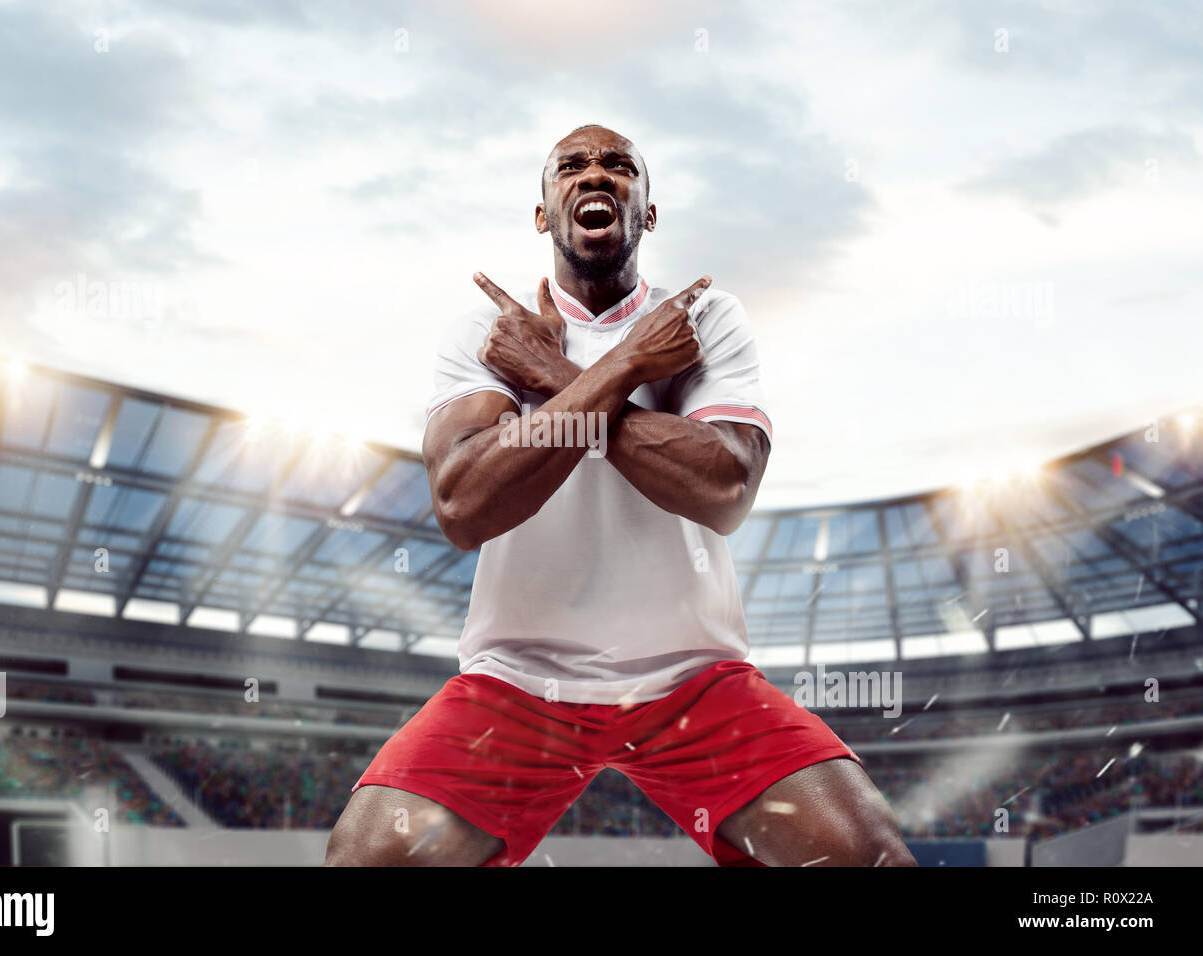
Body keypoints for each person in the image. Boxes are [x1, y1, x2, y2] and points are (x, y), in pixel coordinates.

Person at [325, 124, 915, 867]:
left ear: (648, 209)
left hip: (691, 676)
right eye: (571, 166)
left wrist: (556, 380)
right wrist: (623, 367)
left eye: (619, 166)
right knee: (367, 858)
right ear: (543, 212)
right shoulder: (490, 330)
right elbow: (464, 507)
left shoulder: (703, 319)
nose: (595, 175)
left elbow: (724, 486)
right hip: (520, 677)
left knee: (869, 857)